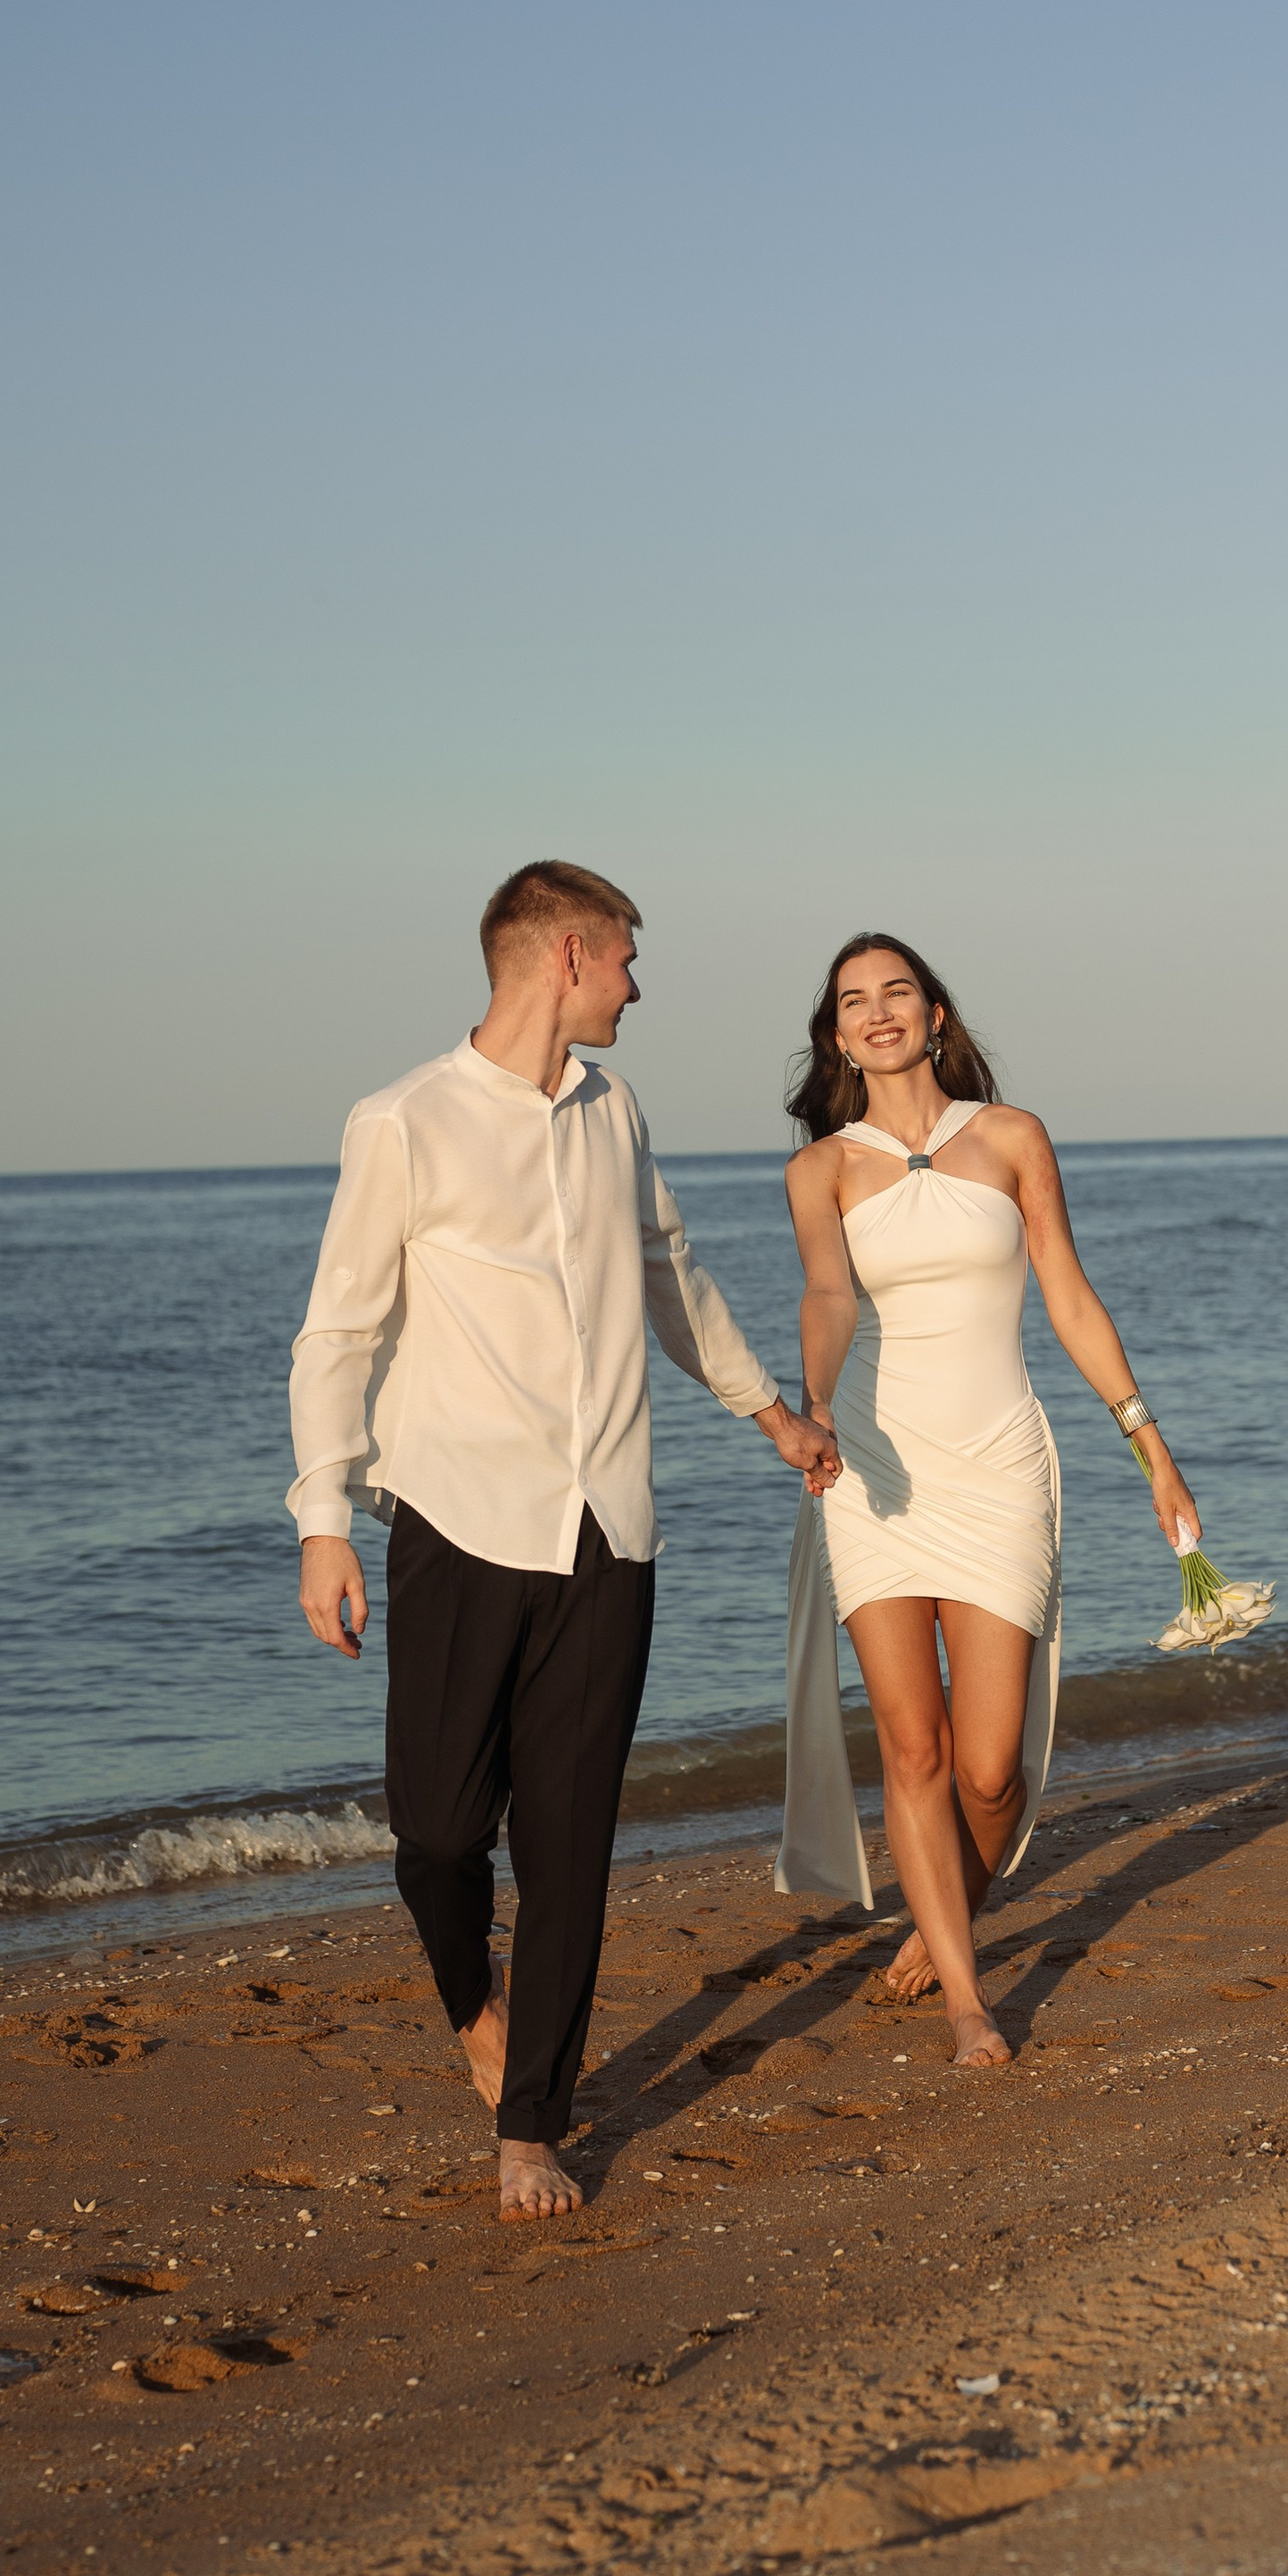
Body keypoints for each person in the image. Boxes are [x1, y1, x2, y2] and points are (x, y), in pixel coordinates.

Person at [288, 862, 839, 2219]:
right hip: (457, 1523)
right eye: (629, 963)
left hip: (609, 1528)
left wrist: (767, 1409)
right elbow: (336, 1335)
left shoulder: (616, 1111)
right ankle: (471, 1999)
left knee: (572, 1844)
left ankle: (531, 2124)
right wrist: (322, 1521)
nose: (639, 989)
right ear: (571, 954)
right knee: (433, 1833)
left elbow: (670, 1275)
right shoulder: (403, 1121)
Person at [774, 933, 1200, 2068]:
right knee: (911, 1749)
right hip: (870, 1468)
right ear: (835, 1035)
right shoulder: (819, 1171)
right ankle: (970, 2003)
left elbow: (1065, 1289)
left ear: (935, 1014)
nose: (876, 1014)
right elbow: (827, 1293)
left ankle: (939, 1909)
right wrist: (810, 1409)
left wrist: (1147, 1442)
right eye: (852, 1001)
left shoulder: (1012, 1139)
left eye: (895, 992)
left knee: (990, 1767)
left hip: (1000, 1462)